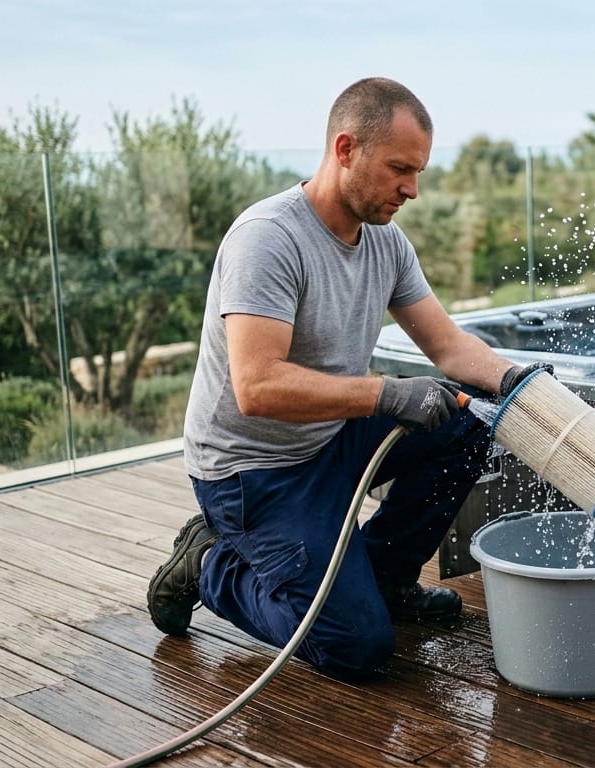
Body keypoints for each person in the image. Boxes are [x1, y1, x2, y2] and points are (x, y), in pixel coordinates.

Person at [146, 77, 550, 680]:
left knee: (465, 424)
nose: (411, 190)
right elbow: (257, 387)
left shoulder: (386, 242)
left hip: (330, 438)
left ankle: (385, 581)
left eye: (417, 172)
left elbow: (448, 346)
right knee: (354, 648)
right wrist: (386, 393)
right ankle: (207, 561)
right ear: (345, 150)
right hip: (253, 473)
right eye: (398, 169)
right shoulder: (269, 240)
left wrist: (518, 377)